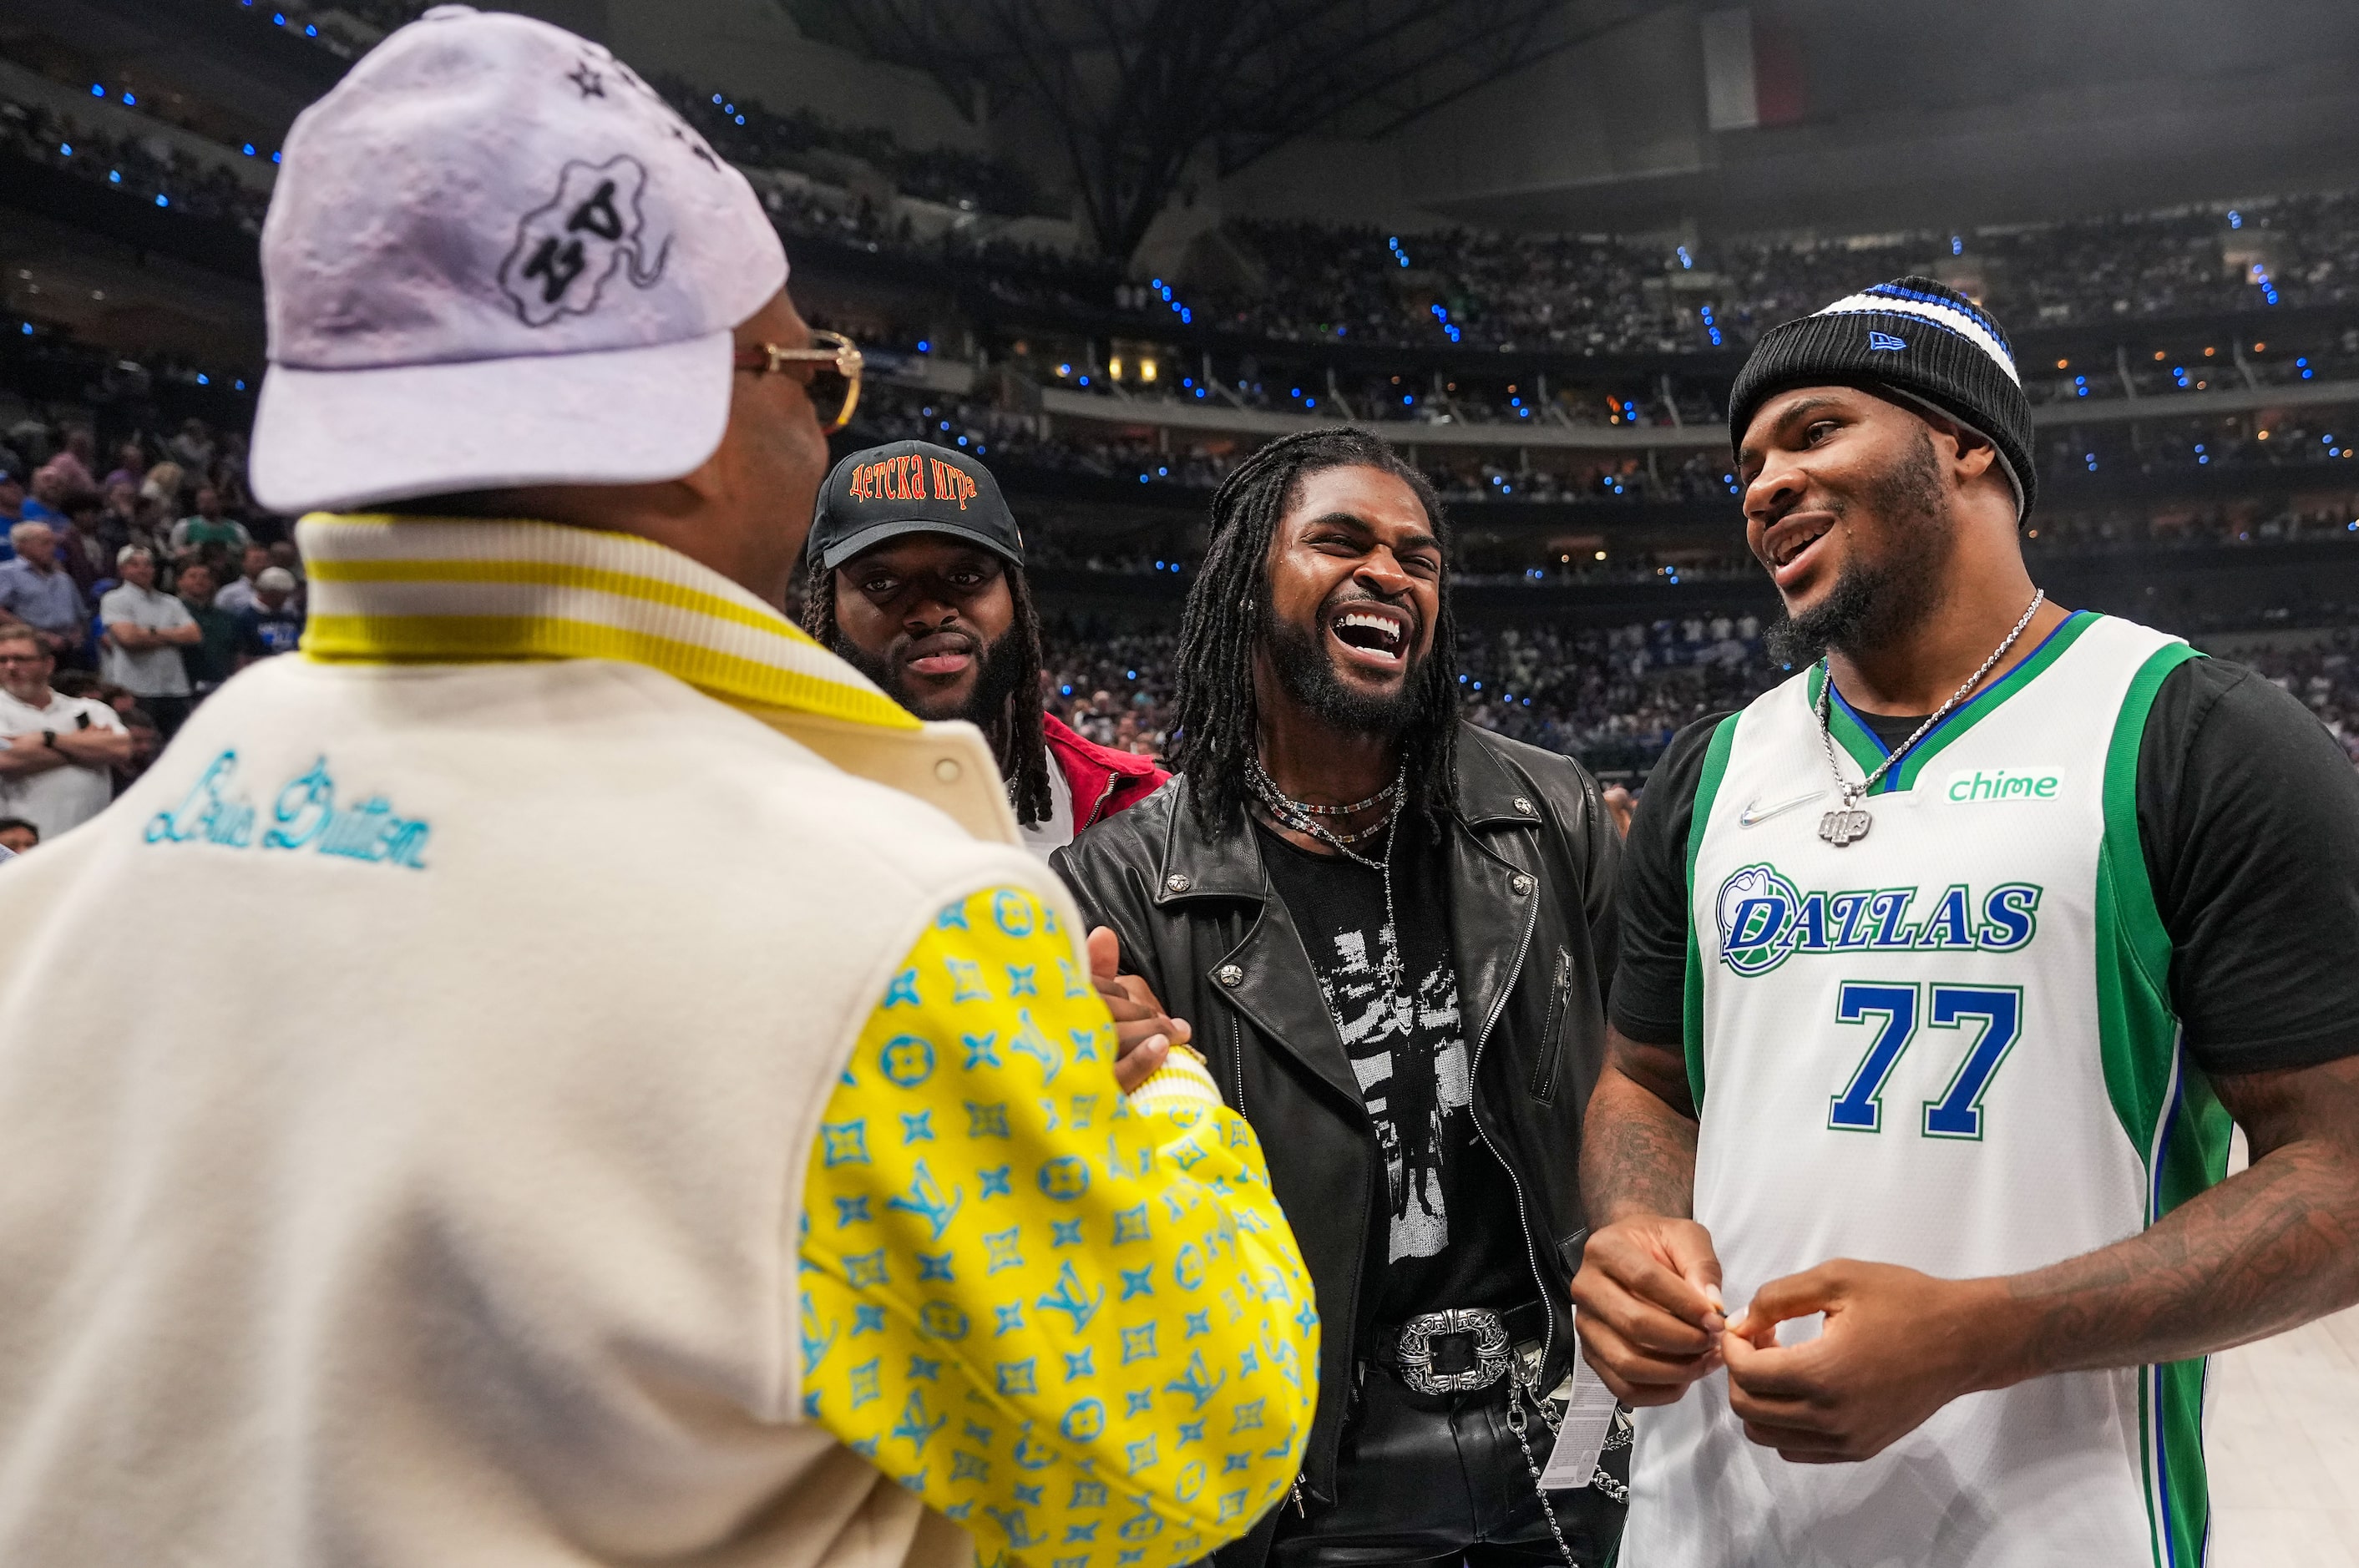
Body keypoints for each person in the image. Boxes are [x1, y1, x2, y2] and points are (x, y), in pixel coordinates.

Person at [0, 12, 1318, 1568]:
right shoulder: (893, 926)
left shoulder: (55, 906)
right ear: (686, 410)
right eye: (815, 377)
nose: (817, 421)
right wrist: (1154, 1090)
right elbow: (1191, 1444)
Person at [1574, 276, 2359, 1567]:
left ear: (1963, 438)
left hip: (2053, 1520)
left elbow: (2338, 1170)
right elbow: (1643, 1085)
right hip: (1709, 1516)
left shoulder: (2190, 733)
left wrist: (1985, 1328)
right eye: (1748, 462)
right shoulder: (1708, 770)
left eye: (1814, 430)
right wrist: (1631, 1226)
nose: (1763, 482)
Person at [1056, 427, 1627, 1568]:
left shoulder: (1548, 810)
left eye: (1419, 558)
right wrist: (1090, 1079)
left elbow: (1645, 1085)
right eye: (1340, 541)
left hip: (1568, 1431)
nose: (1390, 573)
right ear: (1244, 589)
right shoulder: (1118, 882)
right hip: (1317, 1469)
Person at [801, 438, 1166, 861]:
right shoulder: (756, 813)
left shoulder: (1144, 811)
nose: (932, 612)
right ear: (826, 611)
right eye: (881, 583)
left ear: (1015, 597)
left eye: (967, 576)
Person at [0, 625, 132, 842]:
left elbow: (121, 748)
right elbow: (6, 758)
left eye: (21, 659)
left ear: (48, 664)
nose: (11, 667)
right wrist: (87, 749)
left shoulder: (89, 709)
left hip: (90, 839)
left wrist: (48, 738)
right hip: (23, 845)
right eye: (2, 660)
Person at [98, 545, 200, 736]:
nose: (142, 569)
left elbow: (193, 635)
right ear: (122, 570)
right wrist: (173, 637)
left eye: (147, 564)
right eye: (134, 564)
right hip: (136, 687)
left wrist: (149, 633)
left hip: (174, 687)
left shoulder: (171, 602)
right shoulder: (114, 600)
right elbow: (129, 639)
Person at [0, 522, 89, 664]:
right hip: (30, 650)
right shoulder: (6, 573)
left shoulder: (62, 578)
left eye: (53, 543)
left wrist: (78, 633)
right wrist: (37, 635)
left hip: (71, 650)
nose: (52, 549)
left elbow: (81, 614)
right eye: (45, 543)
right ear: (22, 545)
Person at [175, 559, 240, 695]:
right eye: (193, 576)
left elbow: (237, 652)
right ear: (180, 581)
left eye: (205, 576)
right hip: (185, 688)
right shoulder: (172, 612)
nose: (200, 580)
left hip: (222, 686)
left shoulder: (225, 617)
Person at [234, 566, 304, 664]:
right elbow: (242, 656)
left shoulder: (290, 617)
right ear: (269, 592)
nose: (286, 598)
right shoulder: (245, 619)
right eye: (283, 594)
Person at [171, 485, 252, 557]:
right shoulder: (185, 526)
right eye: (202, 501)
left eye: (210, 501)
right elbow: (175, 551)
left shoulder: (237, 529)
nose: (206, 505)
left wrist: (232, 549)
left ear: (221, 503)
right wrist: (193, 549)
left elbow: (249, 552)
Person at [214, 541, 273, 616]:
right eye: (256, 560)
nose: (261, 564)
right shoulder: (228, 594)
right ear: (244, 563)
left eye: (265, 560)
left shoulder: (278, 592)